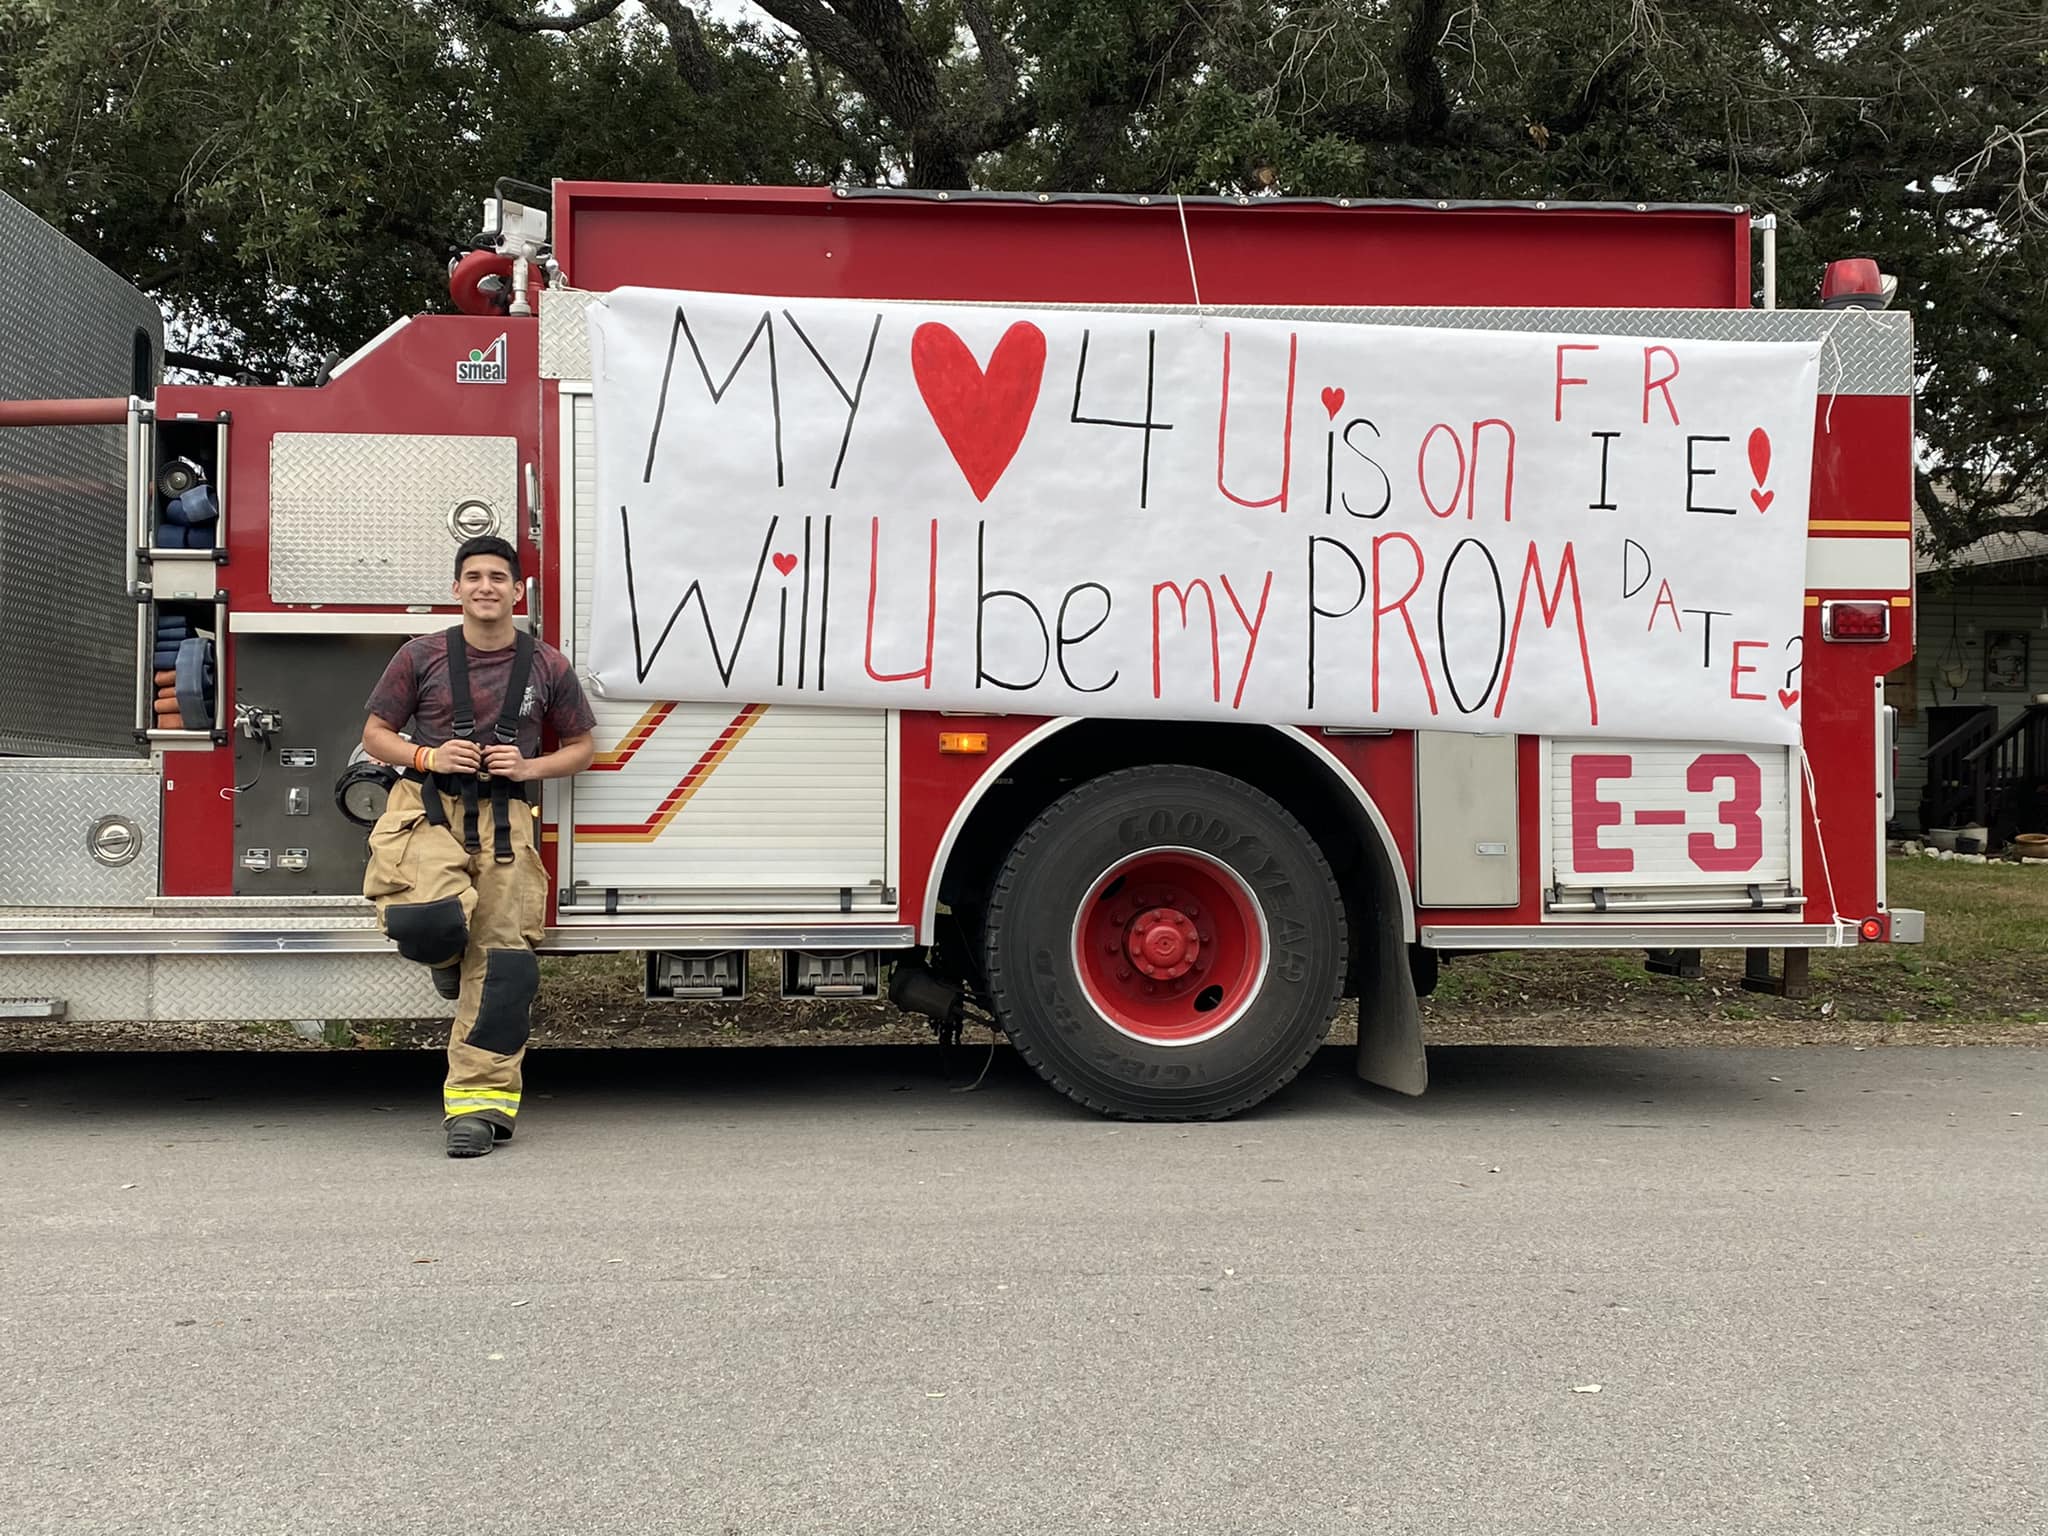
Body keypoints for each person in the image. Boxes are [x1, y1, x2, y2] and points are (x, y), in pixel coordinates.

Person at [359, 536, 595, 1158]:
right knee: (426, 919)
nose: (485, 586)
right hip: (426, 808)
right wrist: (426, 754)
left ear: (518, 592)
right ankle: (444, 959)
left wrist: (530, 766)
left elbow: (583, 747)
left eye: (498, 577)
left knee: (504, 968)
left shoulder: (549, 665)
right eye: (473, 576)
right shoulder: (420, 656)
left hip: (506, 822)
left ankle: (479, 1106)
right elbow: (375, 734)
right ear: (456, 589)